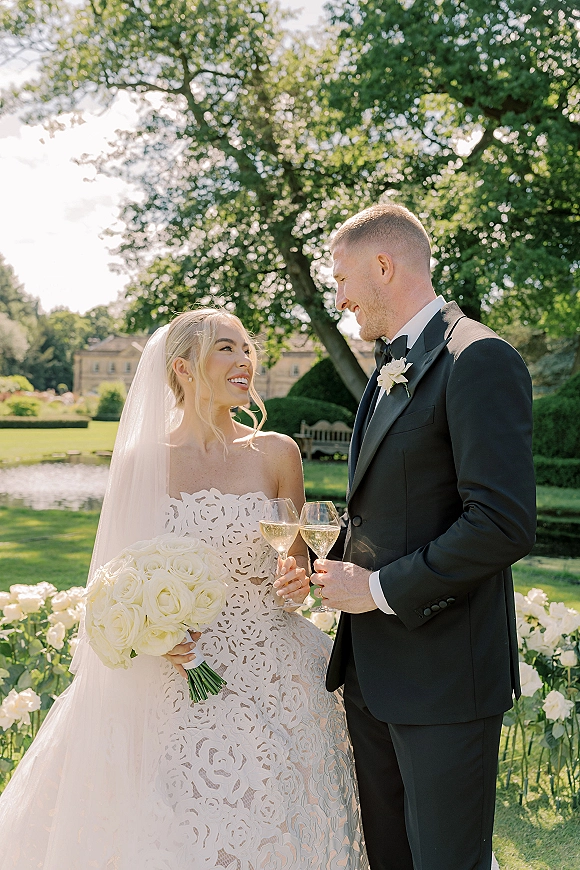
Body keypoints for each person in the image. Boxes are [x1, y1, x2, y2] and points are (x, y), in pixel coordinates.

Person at [0, 309, 367, 870]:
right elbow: (116, 580)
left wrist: (295, 580)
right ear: (183, 368)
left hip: (273, 670)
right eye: (227, 348)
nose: (246, 360)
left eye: (248, 348)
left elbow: (292, 559)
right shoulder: (141, 462)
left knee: (272, 822)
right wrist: (150, 634)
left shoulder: (277, 453)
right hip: (176, 669)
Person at [313, 203, 536, 870]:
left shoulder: (478, 357)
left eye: (344, 278)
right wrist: (326, 567)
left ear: (384, 266)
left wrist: (378, 589)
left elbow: (501, 523)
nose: (340, 297)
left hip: (444, 682)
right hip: (372, 675)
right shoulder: (391, 364)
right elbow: (386, 509)